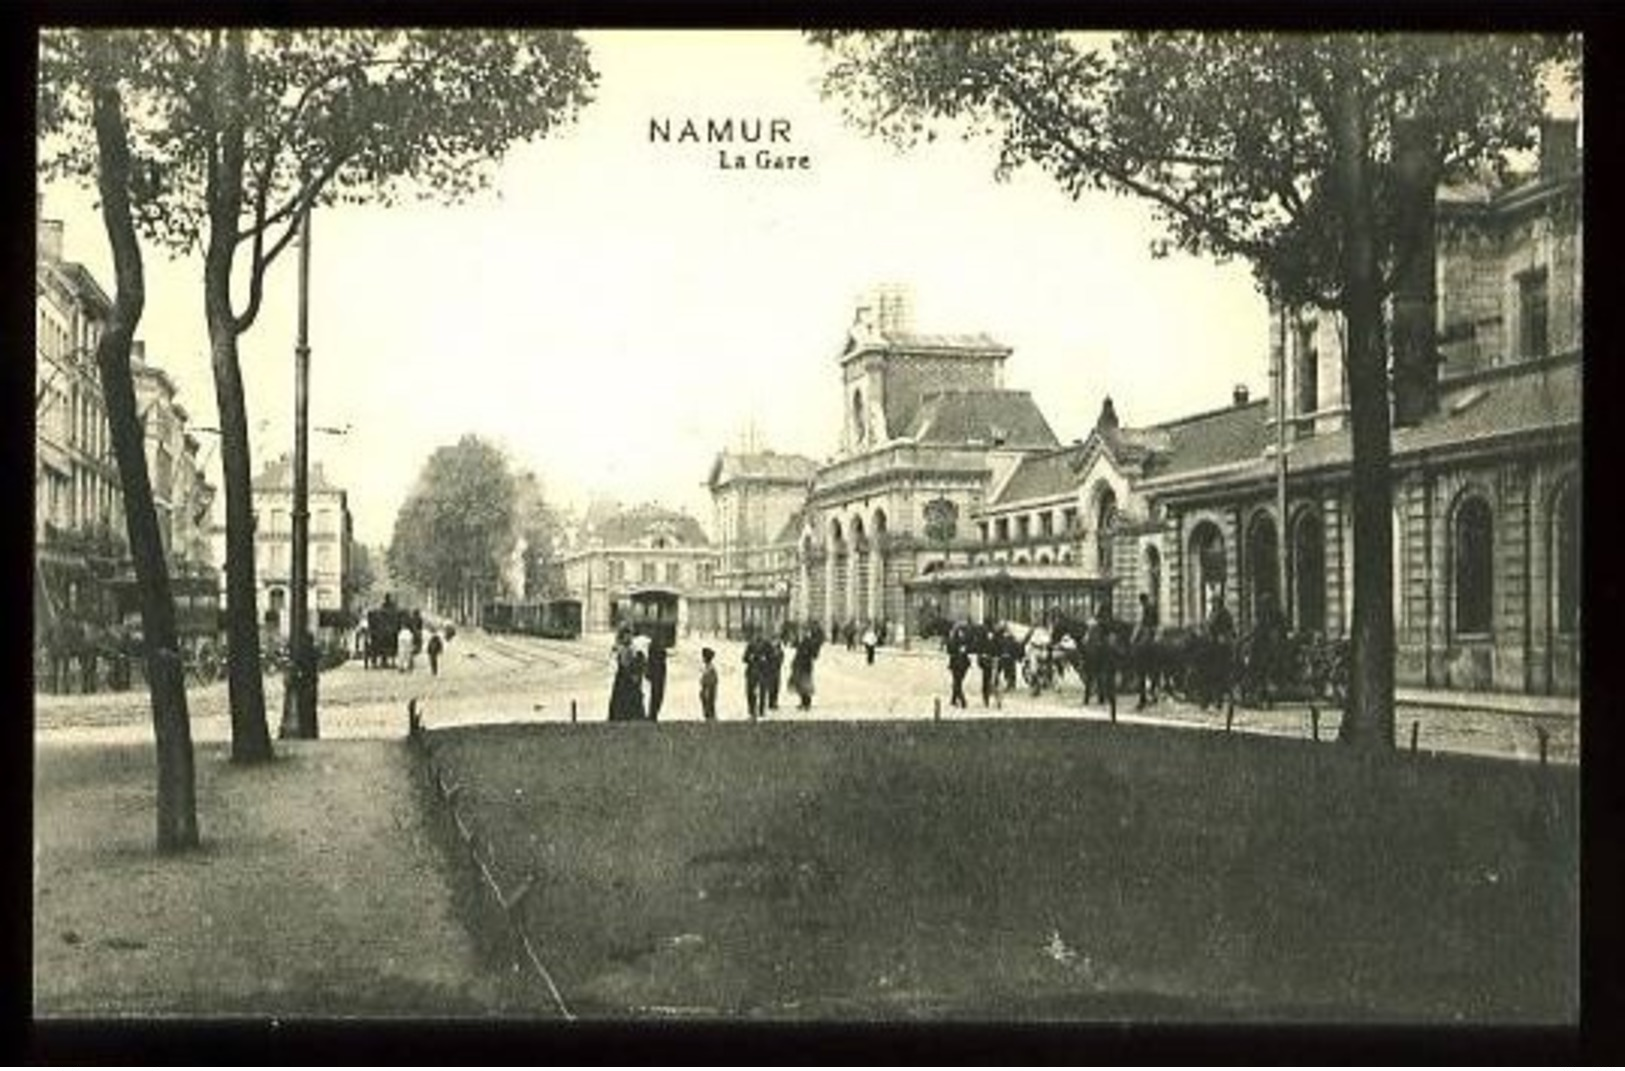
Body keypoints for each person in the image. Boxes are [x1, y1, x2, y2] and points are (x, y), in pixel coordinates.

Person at [608, 625, 647, 721]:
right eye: (627, 634)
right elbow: (625, 665)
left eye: (631, 634)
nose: (630, 637)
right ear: (622, 636)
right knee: (625, 702)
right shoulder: (623, 649)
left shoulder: (629, 648)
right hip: (625, 681)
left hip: (626, 680)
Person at [947, 625, 971, 709]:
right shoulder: (964, 641)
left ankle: (963, 701)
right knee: (957, 682)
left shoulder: (954, 641)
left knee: (957, 683)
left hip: (957, 664)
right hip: (963, 664)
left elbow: (949, 650)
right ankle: (953, 700)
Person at [646, 637, 669, 721]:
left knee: (656, 694)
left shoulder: (654, 648)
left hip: (658, 673)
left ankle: (653, 714)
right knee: (657, 694)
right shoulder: (655, 649)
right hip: (657, 673)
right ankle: (653, 714)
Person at [764, 635, 784, 711]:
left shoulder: (779, 649)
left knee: (776, 687)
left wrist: (779, 661)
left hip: (777, 670)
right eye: (774, 641)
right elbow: (766, 658)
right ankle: (771, 702)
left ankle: (775, 701)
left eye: (776, 641)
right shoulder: (768, 649)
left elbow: (782, 656)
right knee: (770, 687)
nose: (775, 642)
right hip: (769, 671)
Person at [699, 647, 718, 721]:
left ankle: (710, 717)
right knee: (707, 703)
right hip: (707, 688)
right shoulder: (709, 667)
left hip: (708, 688)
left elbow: (711, 680)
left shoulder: (710, 668)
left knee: (709, 703)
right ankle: (709, 716)